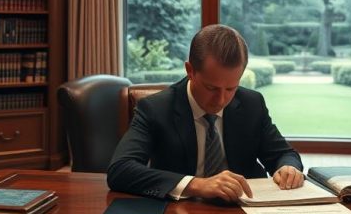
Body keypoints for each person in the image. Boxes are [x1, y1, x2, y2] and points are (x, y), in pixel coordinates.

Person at [107, 24, 304, 202]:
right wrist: (197, 185)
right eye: (211, 88)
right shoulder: (156, 108)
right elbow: (120, 170)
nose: (221, 100)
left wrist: (288, 168)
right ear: (190, 71)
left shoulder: (252, 103)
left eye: (231, 89)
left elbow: (283, 154)